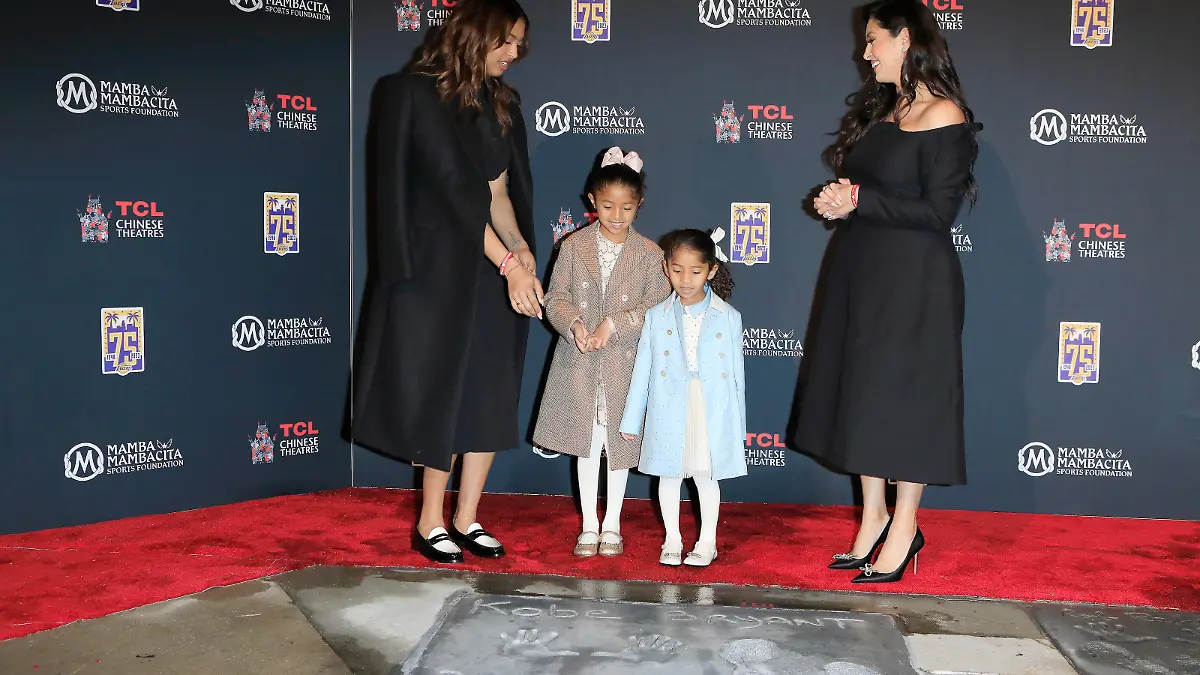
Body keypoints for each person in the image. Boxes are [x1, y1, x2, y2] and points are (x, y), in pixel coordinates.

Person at [792, 0, 980, 583]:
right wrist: (840, 200)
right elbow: (868, 191)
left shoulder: (946, 114)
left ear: (905, 39)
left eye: (874, 40)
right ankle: (872, 516)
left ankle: (905, 525)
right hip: (861, 270)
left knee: (905, 400)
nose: (865, 51)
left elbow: (937, 211)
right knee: (864, 393)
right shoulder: (888, 109)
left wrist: (859, 202)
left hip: (913, 280)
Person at [351, 0, 544, 565]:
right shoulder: (410, 92)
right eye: (506, 41)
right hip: (437, 272)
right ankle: (431, 520)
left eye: (520, 44)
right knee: (446, 392)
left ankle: (468, 517)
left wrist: (520, 250)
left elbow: (497, 192)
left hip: (490, 269)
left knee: (489, 389)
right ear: (474, 35)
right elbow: (448, 192)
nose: (515, 53)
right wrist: (508, 266)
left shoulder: (502, 101)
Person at [533, 147, 672, 558]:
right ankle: (589, 526)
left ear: (639, 205)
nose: (616, 215)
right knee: (587, 445)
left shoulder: (651, 254)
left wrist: (615, 322)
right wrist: (574, 324)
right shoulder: (573, 246)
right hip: (579, 362)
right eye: (608, 205)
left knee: (620, 446)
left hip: (625, 365)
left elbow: (656, 305)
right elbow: (556, 297)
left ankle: (612, 523)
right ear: (592, 201)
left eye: (626, 207)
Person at [619, 229, 747, 568]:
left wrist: (737, 427)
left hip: (709, 406)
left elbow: (737, 380)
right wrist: (632, 418)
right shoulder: (656, 316)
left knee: (706, 475)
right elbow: (643, 370)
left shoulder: (728, 317)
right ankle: (672, 539)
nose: (686, 280)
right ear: (666, 268)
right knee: (668, 474)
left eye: (695, 271)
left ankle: (707, 541)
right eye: (677, 270)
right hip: (669, 403)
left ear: (711, 271)